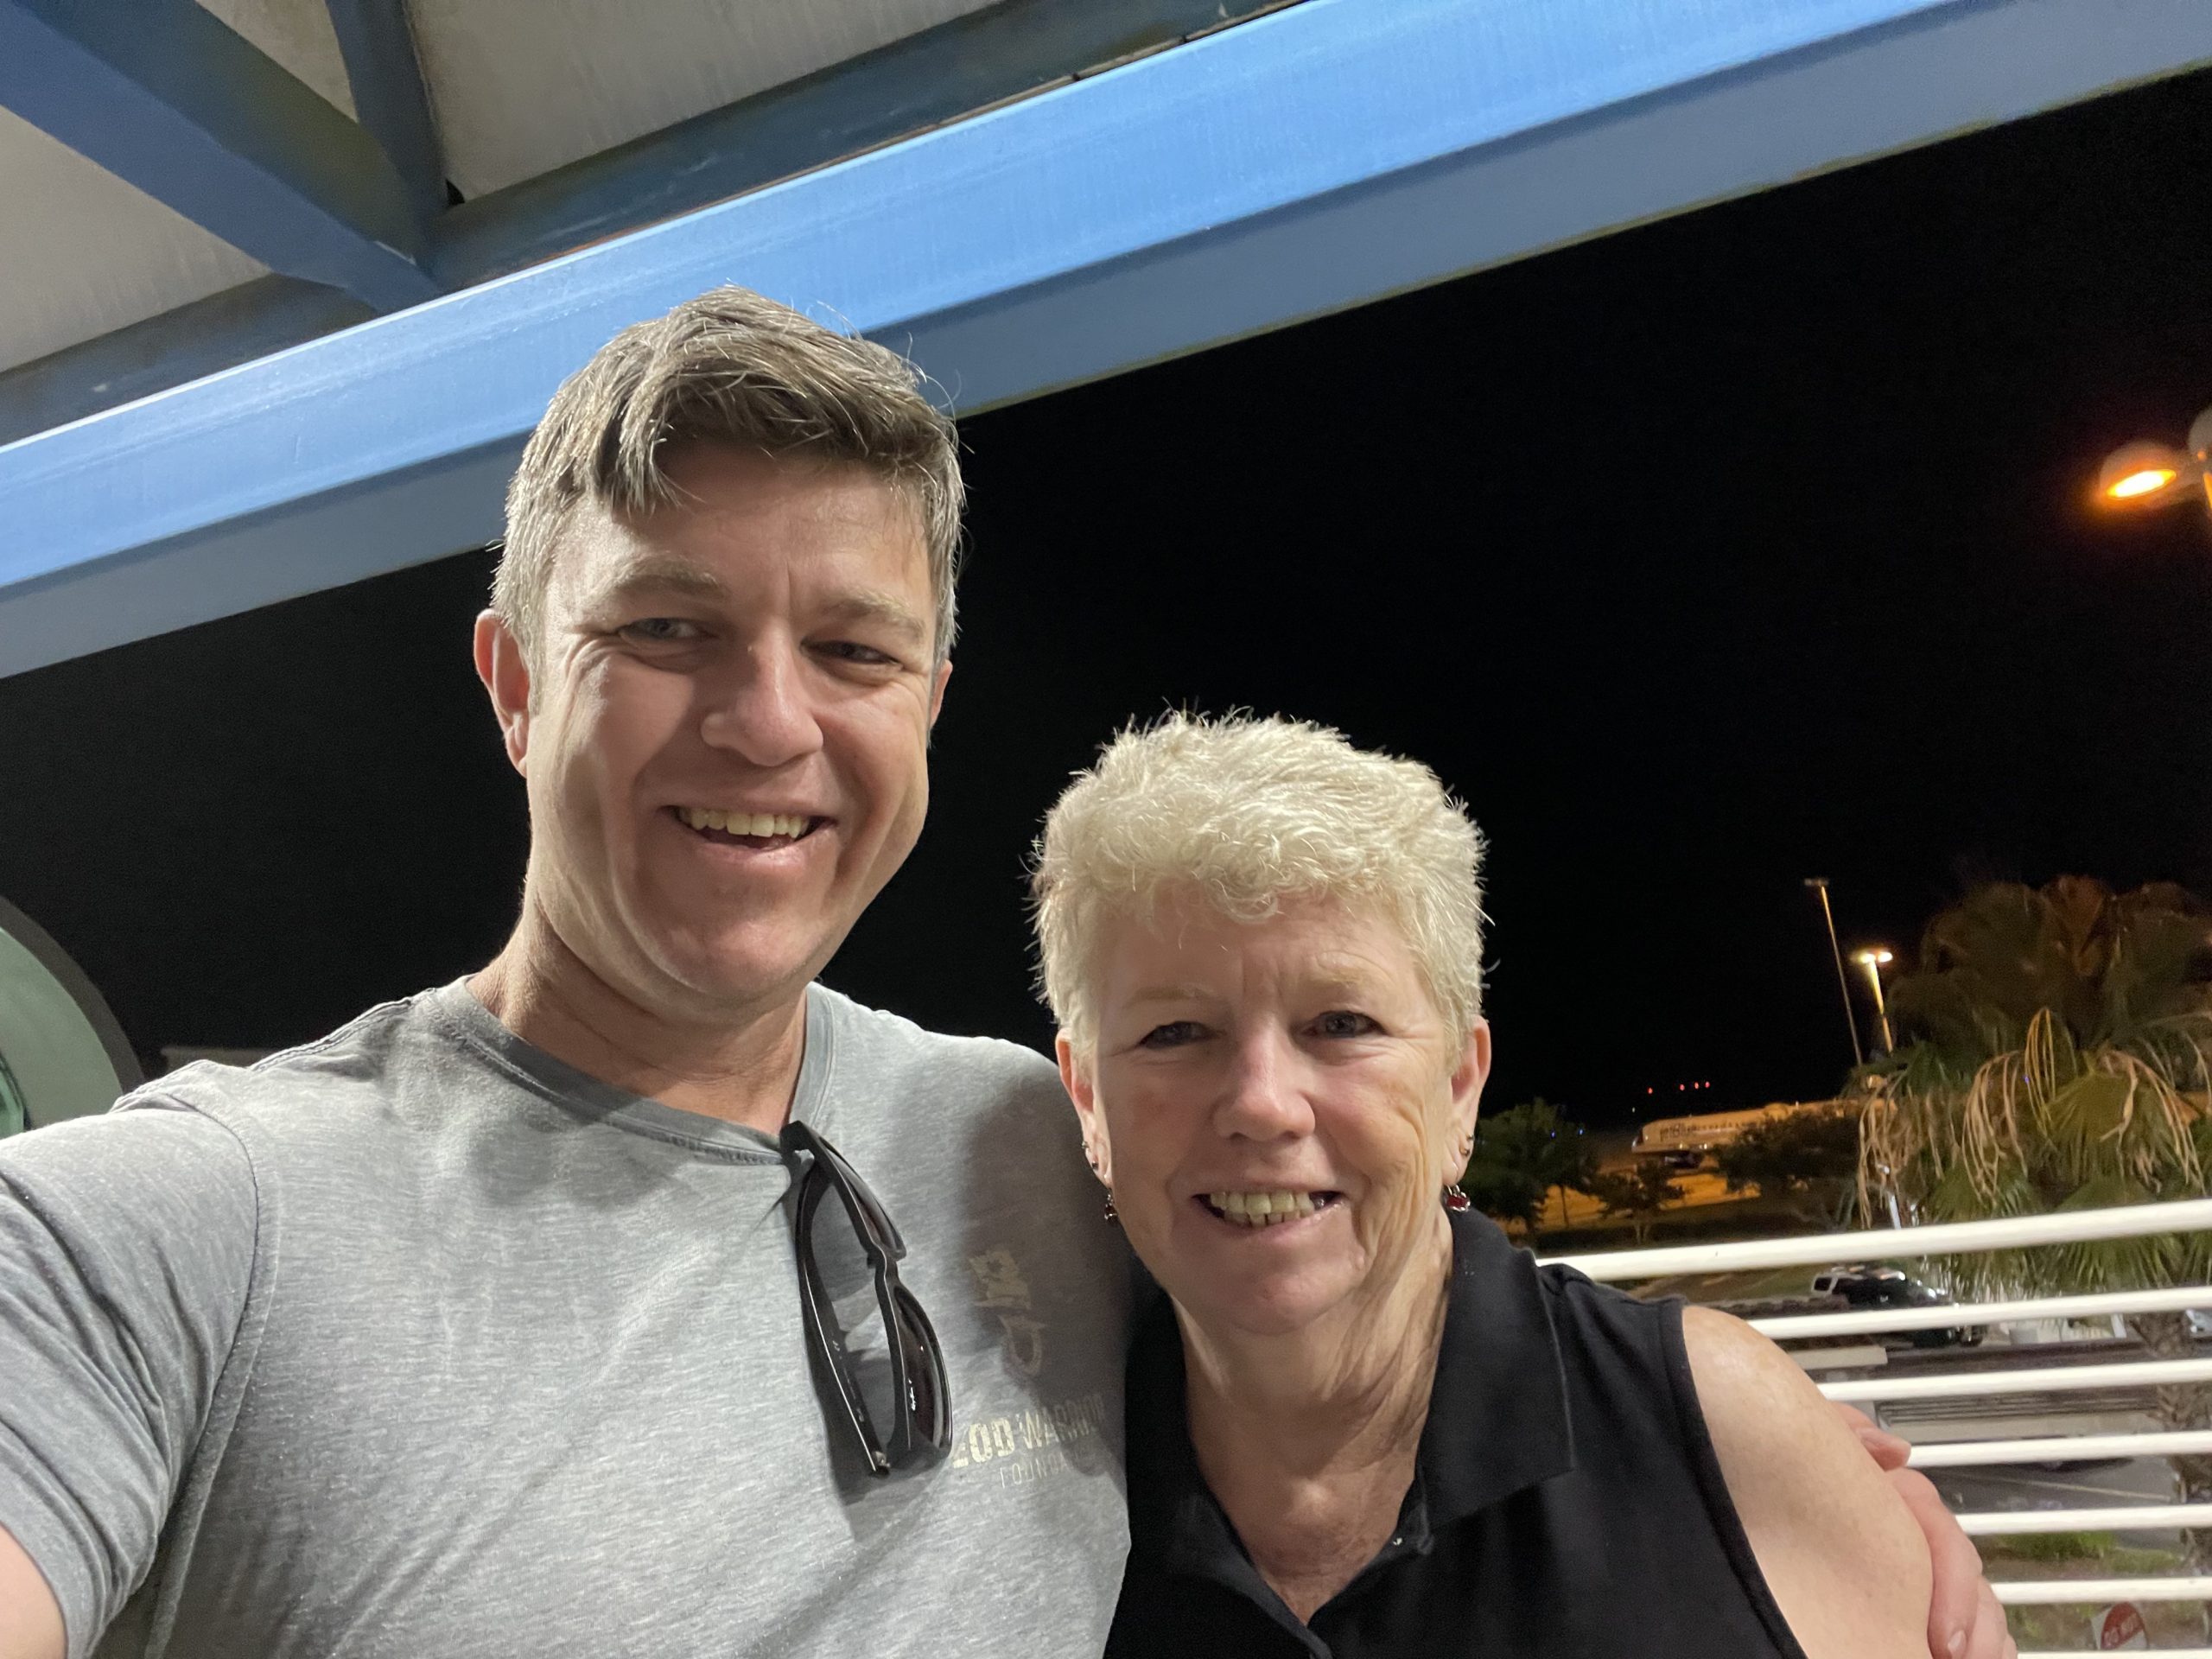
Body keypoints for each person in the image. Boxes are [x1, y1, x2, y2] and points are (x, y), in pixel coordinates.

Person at [0, 290, 2004, 1659]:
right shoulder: (174, 1223)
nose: (769, 724)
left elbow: (1362, 1236)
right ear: (517, 682)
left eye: (851, 651)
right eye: (667, 631)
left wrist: (1780, 1468)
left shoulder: (1027, 1136)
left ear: (929, 705)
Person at [1033, 713, 2016, 1658]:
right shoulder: (1021, 1491)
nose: (1263, 1105)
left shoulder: (1713, 1430)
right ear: (1086, 1100)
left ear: (1460, 1085)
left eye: (1341, 1024)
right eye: (1174, 1034)